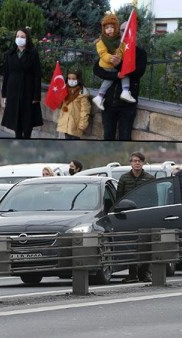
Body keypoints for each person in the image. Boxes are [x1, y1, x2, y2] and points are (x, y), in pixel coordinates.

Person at [93, 21, 147, 141]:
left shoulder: (140, 53)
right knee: (108, 137)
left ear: (134, 32)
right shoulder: (112, 49)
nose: (125, 33)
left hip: (127, 105)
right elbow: (97, 70)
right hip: (108, 103)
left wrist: (119, 65)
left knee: (125, 137)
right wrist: (116, 75)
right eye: (122, 30)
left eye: (129, 30)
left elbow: (138, 73)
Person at [117, 152, 155, 283]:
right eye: (134, 161)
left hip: (144, 215)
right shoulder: (124, 178)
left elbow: (153, 197)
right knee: (131, 245)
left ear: (143, 163)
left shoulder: (149, 178)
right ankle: (132, 274)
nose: (137, 163)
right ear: (130, 163)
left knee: (146, 244)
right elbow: (119, 198)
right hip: (129, 216)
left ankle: (145, 273)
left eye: (139, 161)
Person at [1, 27, 43, 139]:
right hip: (13, 91)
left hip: (28, 91)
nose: (20, 39)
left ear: (27, 39)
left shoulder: (33, 53)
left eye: (23, 37)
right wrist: (4, 94)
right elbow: (6, 74)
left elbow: (37, 75)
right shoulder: (10, 54)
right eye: (17, 36)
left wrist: (36, 96)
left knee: (28, 121)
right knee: (16, 122)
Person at [92, 13, 136, 111]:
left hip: (117, 63)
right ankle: (123, 91)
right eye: (107, 27)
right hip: (107, 64)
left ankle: (100, 96)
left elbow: (124, 52)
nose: (110, 29)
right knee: (114, 76)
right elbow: (102, 54)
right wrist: (110, 58)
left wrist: (121, 58)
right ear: (104, 29)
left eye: (112, 27)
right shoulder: (101, 41)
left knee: (124, 72)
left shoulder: (120, 41)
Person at [56, 69, 90, 139]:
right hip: (65, 122)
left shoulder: (82, 92)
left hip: (75, 124)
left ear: (78, 79)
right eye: (69, 78)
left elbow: (85, 110)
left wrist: (82, 123)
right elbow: (60, 105)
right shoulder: (64, 89)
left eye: (73, 78)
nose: (71, 80)